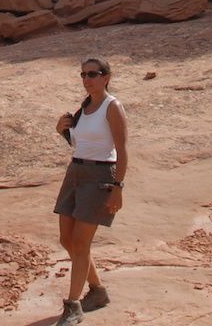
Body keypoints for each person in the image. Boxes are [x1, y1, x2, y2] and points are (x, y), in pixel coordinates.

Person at [51, 56, 127, 325]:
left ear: (106, 77)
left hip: (100, 177)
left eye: (92, 74)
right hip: (76, 173)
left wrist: (117, 188)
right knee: (67, 240)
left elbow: (122, 150)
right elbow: (78, 143)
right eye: (83, 75)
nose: (87, 80)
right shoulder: (84, 107)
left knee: (81, 243)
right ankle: (97, 291)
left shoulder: (112, 107)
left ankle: (73, 307)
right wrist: (63, 131)